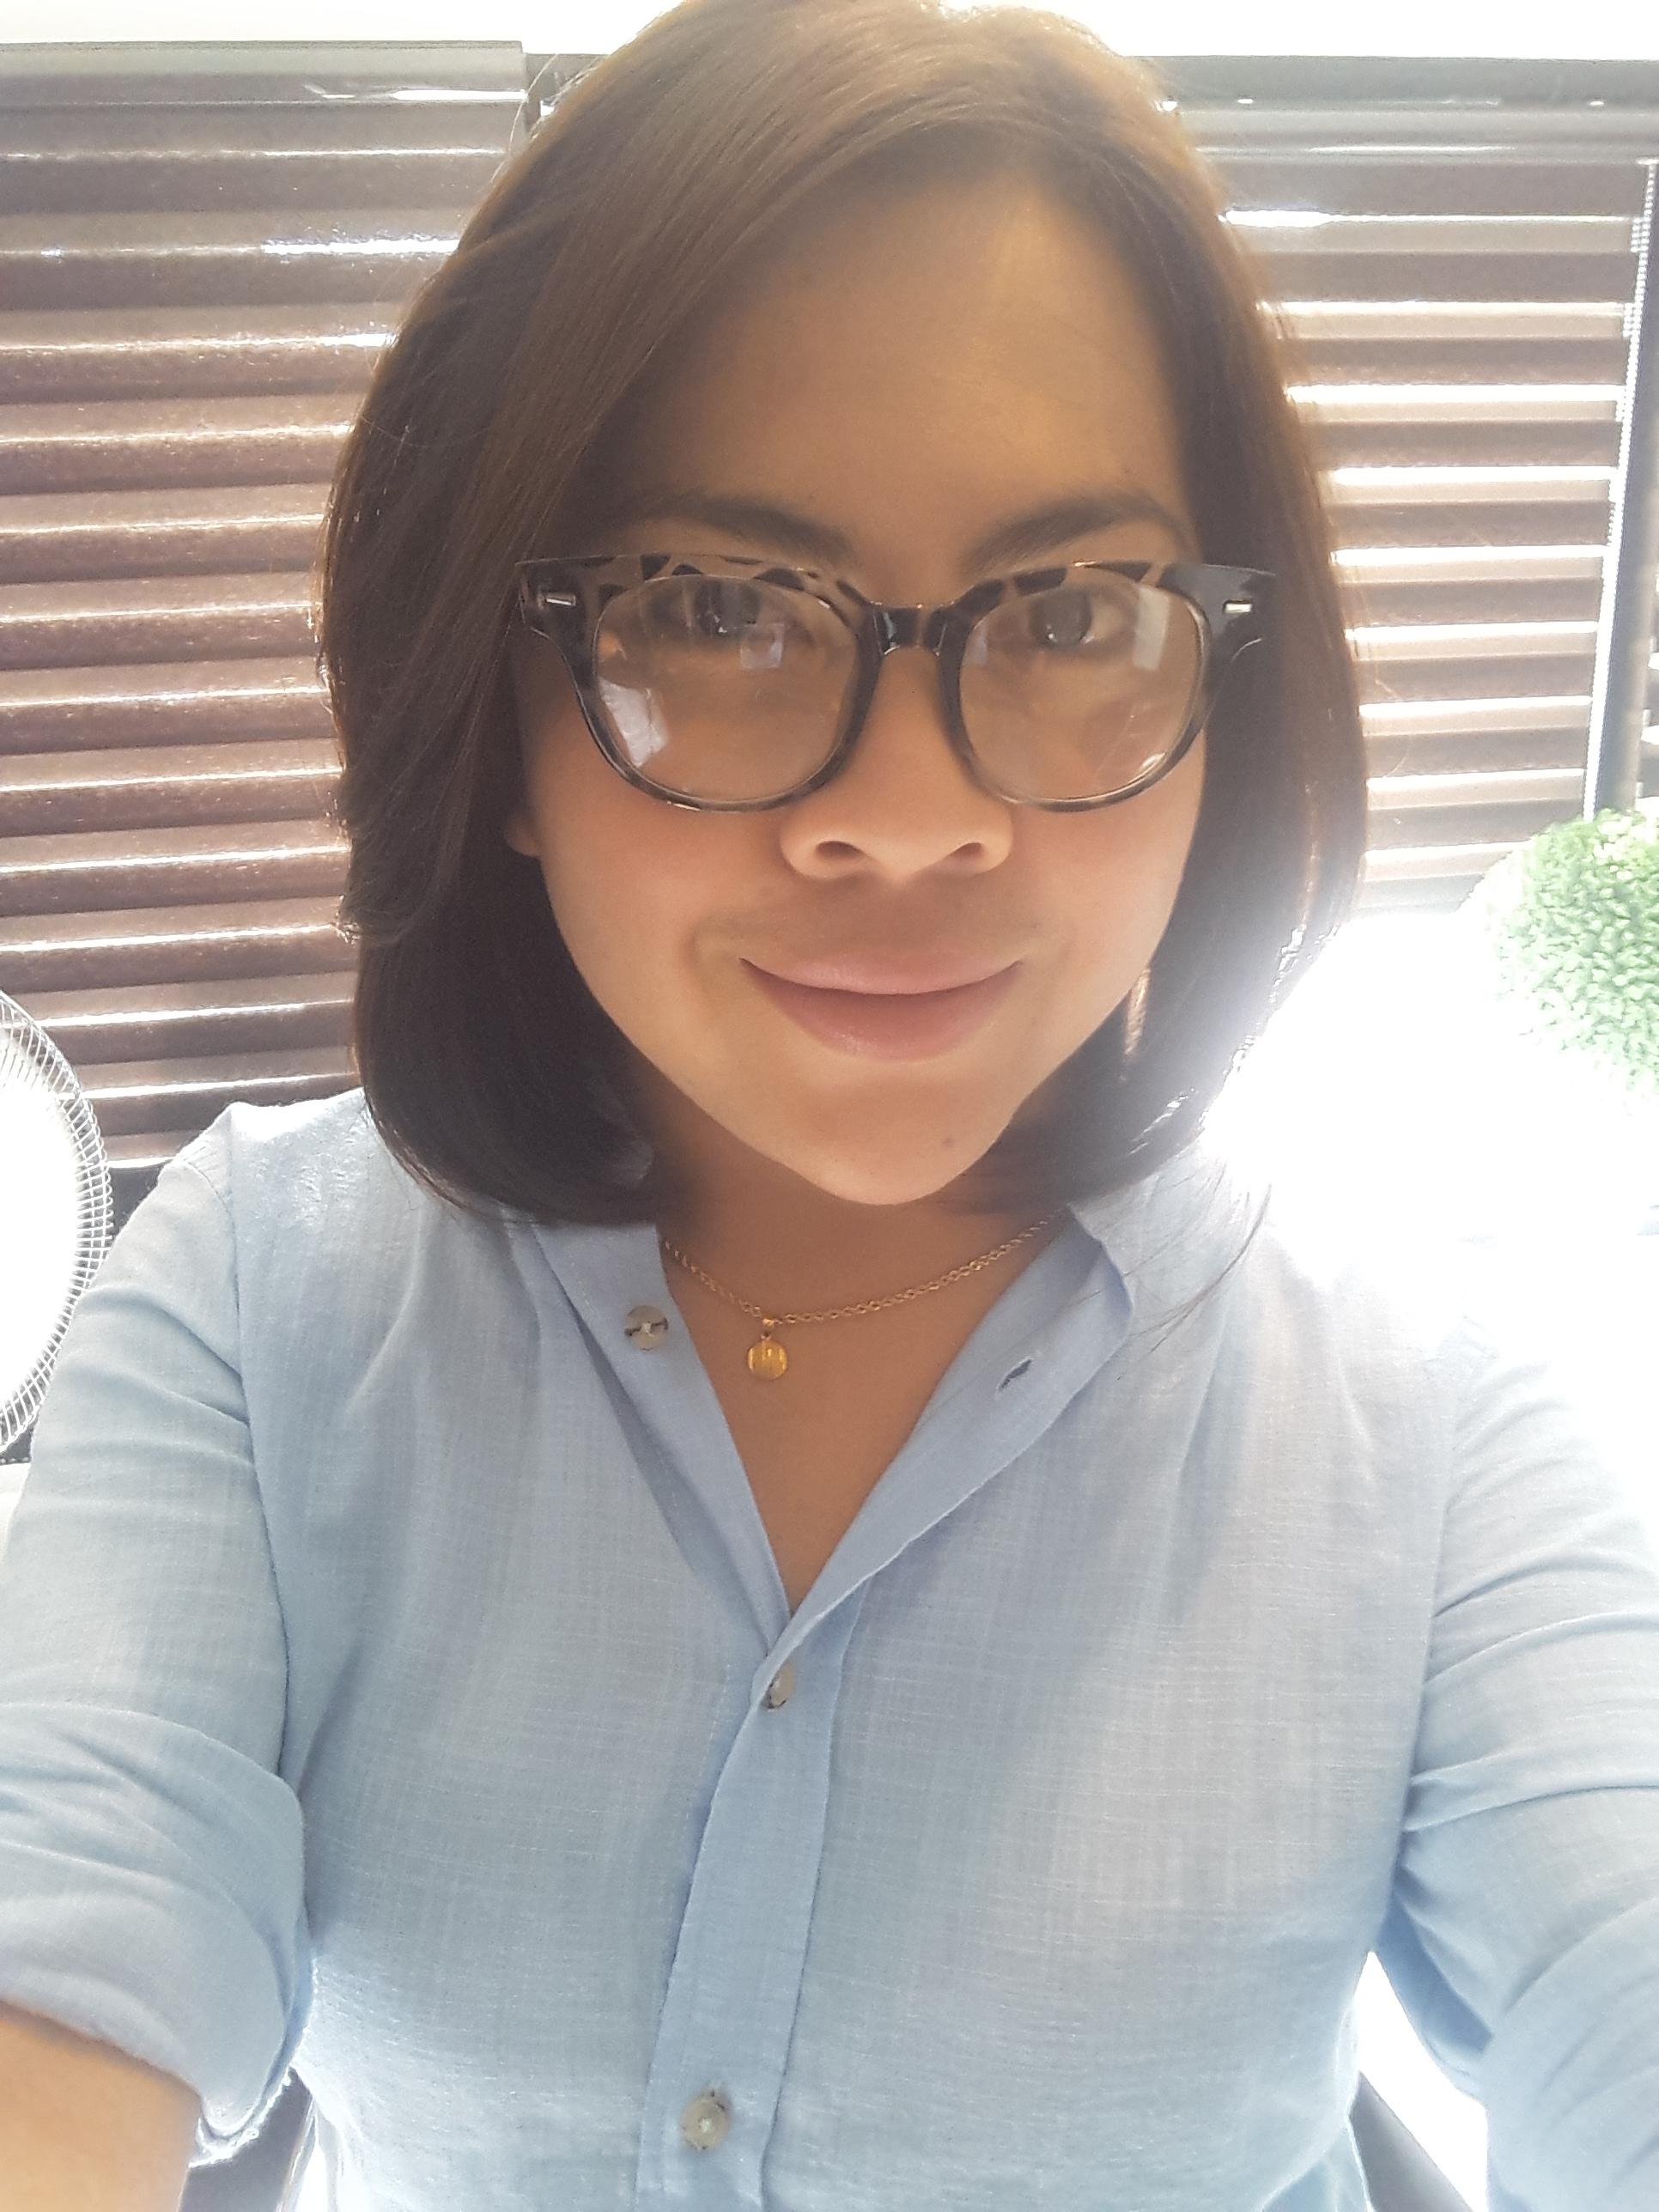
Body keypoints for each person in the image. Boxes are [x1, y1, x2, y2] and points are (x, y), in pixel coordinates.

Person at [1, 2, 1655, 2207]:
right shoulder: (255, 1311)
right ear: (496, 722)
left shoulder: (1437, 1418)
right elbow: (60, 1969)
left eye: (1073, 612)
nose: (913, 814)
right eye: (716, 608)